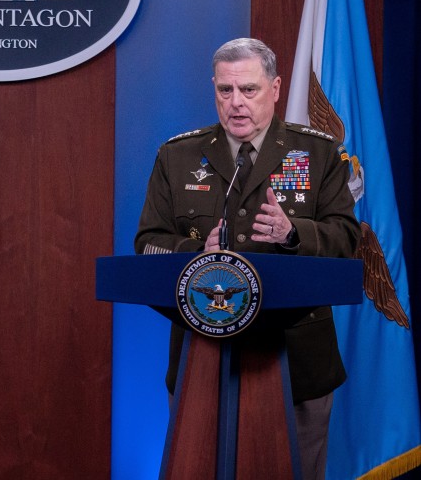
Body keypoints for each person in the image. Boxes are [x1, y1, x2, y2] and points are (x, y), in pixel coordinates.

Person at [134, 37, 360, 480]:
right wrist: (196, 252)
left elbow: (348, 240)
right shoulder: (177, 157)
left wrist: (293, 233)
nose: (236, 103)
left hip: (298, 359)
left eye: (249, 90)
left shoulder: (317, 154)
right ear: (214, 90)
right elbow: (147, 243)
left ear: (275, 89)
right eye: (225, 90)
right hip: (203, 355)